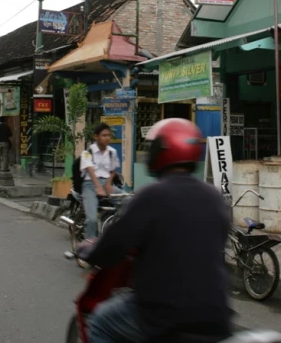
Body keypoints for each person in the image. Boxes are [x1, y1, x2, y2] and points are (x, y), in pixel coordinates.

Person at [81, 118, 232, 343]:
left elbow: (113, 245)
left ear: (161, 150)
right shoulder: (215, 197)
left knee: (101, 322)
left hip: (161, 313)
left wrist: (89, 250)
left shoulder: (149, 196)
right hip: (217, 317)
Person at [80, 123, 121, 239]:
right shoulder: (88, 152)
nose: (107, 138)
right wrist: (98, 187)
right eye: (104, 135)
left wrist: (108, 183)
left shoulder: (112, 152)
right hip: (90, 185)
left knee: (128, 201)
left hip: (106, 184)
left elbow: (113, 170)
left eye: (109, 135)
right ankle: (89, 246)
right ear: (96, 137)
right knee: (92, 219)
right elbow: (90, 170)